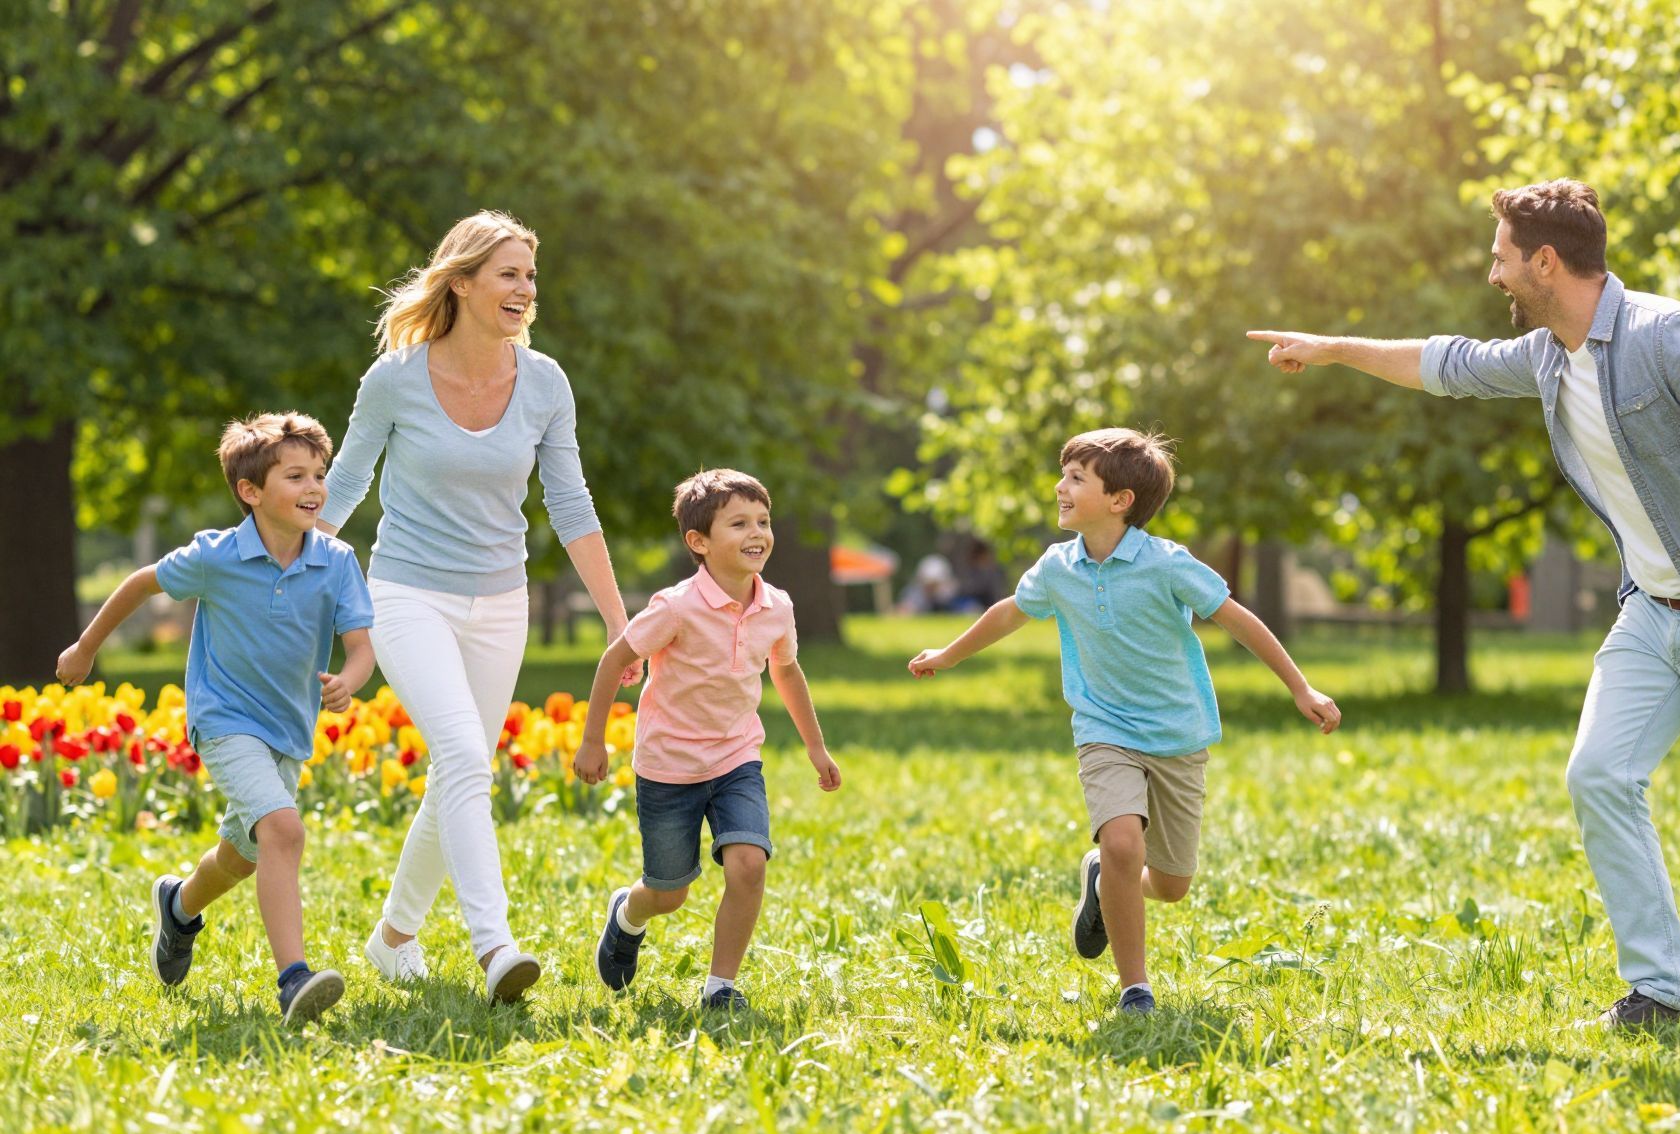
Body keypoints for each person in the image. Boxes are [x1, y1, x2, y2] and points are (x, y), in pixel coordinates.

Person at [1248, 179, 1680, 1031]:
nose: (1492, 272)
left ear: (1546, 261)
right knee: (1599, 776)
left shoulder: (1671, 336)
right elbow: (1445, 365)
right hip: (1652, 613)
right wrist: (1330, 348)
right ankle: (1661, 992)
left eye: (1502, 256)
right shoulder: (1549, 354)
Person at [907, 429, 1341, 1016]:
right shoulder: (1058, 567)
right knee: (1121, 843)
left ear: (1120, 501)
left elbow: (1238, 620)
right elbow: (1010, 613)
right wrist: (948, 655)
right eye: (1064, 474)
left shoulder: (1167, 565)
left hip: (1178, 735)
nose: (1060, 487)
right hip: (1103, 727)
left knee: (1170, 885)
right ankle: (1135, 989)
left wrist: (1300, 686)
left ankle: (1101, 884)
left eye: (1076, 478)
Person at [321, 210, 640, 1005]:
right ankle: (495, 947)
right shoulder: (395, 376)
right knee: (464, 756)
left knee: (459, 770)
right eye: (509, 274)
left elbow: (571, 505)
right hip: (405, 591)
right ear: (460, 281)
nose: (525, 290)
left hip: (501, 602)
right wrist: (280, 576)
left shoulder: (545, 384)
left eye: (531, 277)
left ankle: (394, 937)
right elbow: (346, 486)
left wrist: (617, 622)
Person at [57, 413, 375, 1024]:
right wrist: (86, 647)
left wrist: (347, 684)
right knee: (282, 830)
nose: (315, 488)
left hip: (288, 729)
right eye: (295, 476)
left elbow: (360, 647)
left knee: (244, 854)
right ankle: (294, 979)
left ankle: (178, 908)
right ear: (251, 492)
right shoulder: (217, 556)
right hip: (224, 719)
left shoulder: (336, 560)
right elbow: (140, 584)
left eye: (319, 474)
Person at [575, 469, 843, 1010]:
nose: (757, 533)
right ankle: (628, 914)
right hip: (668, 766)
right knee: (669, 893)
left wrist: (816, 748)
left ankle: (720, 988)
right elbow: (614, 661)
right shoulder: (675, 607)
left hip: (736, 757)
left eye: (763, 521)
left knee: (749, 863)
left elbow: (786, 672)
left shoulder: (778, 607)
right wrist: (592, 741)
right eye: (739, 522)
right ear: (698, 542)